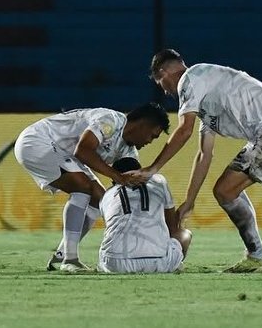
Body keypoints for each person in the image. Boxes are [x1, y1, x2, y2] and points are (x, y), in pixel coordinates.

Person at [135, 49, 262, 273]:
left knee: (225, 191)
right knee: (227, 191)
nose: (165, 92)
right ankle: (257, 256)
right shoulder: (208, 95)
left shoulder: (191, 79)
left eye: (160, 83)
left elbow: (184, 130)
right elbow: (205, 154)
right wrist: (190, 201)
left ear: (164, 72)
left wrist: (153, 168)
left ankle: (257, 256)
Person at [14, 103, 170, 272]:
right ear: (143, 125)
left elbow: (124, 184)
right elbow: (83, 151)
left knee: (99, 198)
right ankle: (70, 259)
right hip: (37, 141)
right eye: (153, 136)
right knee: (83, 187)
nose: (149, 141)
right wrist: (118, 176)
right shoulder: (110, 121)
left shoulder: (128, 152)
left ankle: (61, 255)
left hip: (62, 153)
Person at [97, 157, 192, 274]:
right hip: (159, 262)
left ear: (113, 178)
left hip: (114, 264)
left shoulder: (107, 196)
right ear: (140, 171)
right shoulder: (159, 181)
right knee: (184, 234)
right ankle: (176, 263)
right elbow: (172, 227)